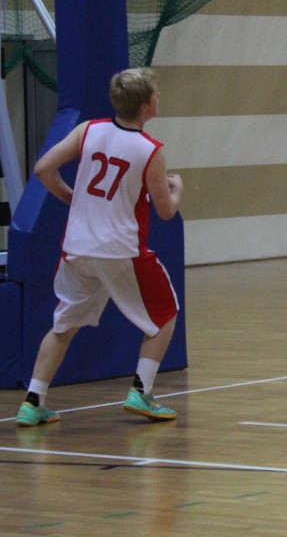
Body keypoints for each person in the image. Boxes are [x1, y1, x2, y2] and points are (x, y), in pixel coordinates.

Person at [15, 68, 184, 427]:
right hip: (120, 250)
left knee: (64, 326)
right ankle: (141, 391)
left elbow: (43, 168)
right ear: (145, 105)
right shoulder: (150, 150)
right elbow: (166, 211)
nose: (159, 97)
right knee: (165, 314)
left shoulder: (87, 130)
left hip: (77, 248)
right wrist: (177, 188)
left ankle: (33, 401)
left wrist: (72, 198)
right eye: (156, 93)